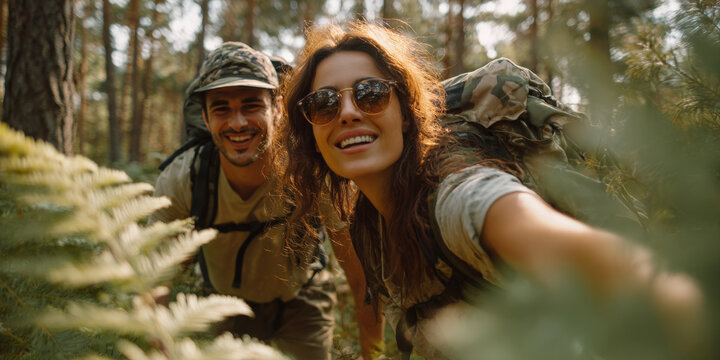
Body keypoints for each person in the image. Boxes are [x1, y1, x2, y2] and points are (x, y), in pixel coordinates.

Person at [276, 22, 705, 359]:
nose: (347, 113)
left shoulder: (455, 195)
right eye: (325, 104)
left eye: (371, 95)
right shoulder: (370, 226)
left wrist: (680, 305)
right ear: (311, 130)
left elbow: (555, 239)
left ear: (406, 115)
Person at [149, 42, 382, 360]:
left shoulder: (312, 171)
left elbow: (360, 274)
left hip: (303, 301)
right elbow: (155, 278)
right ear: (205, 117)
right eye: (221, 109)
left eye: (251, 105)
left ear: (278, 108)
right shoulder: (184, 178)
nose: (238, 123)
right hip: (224, 304)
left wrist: (376, 355)